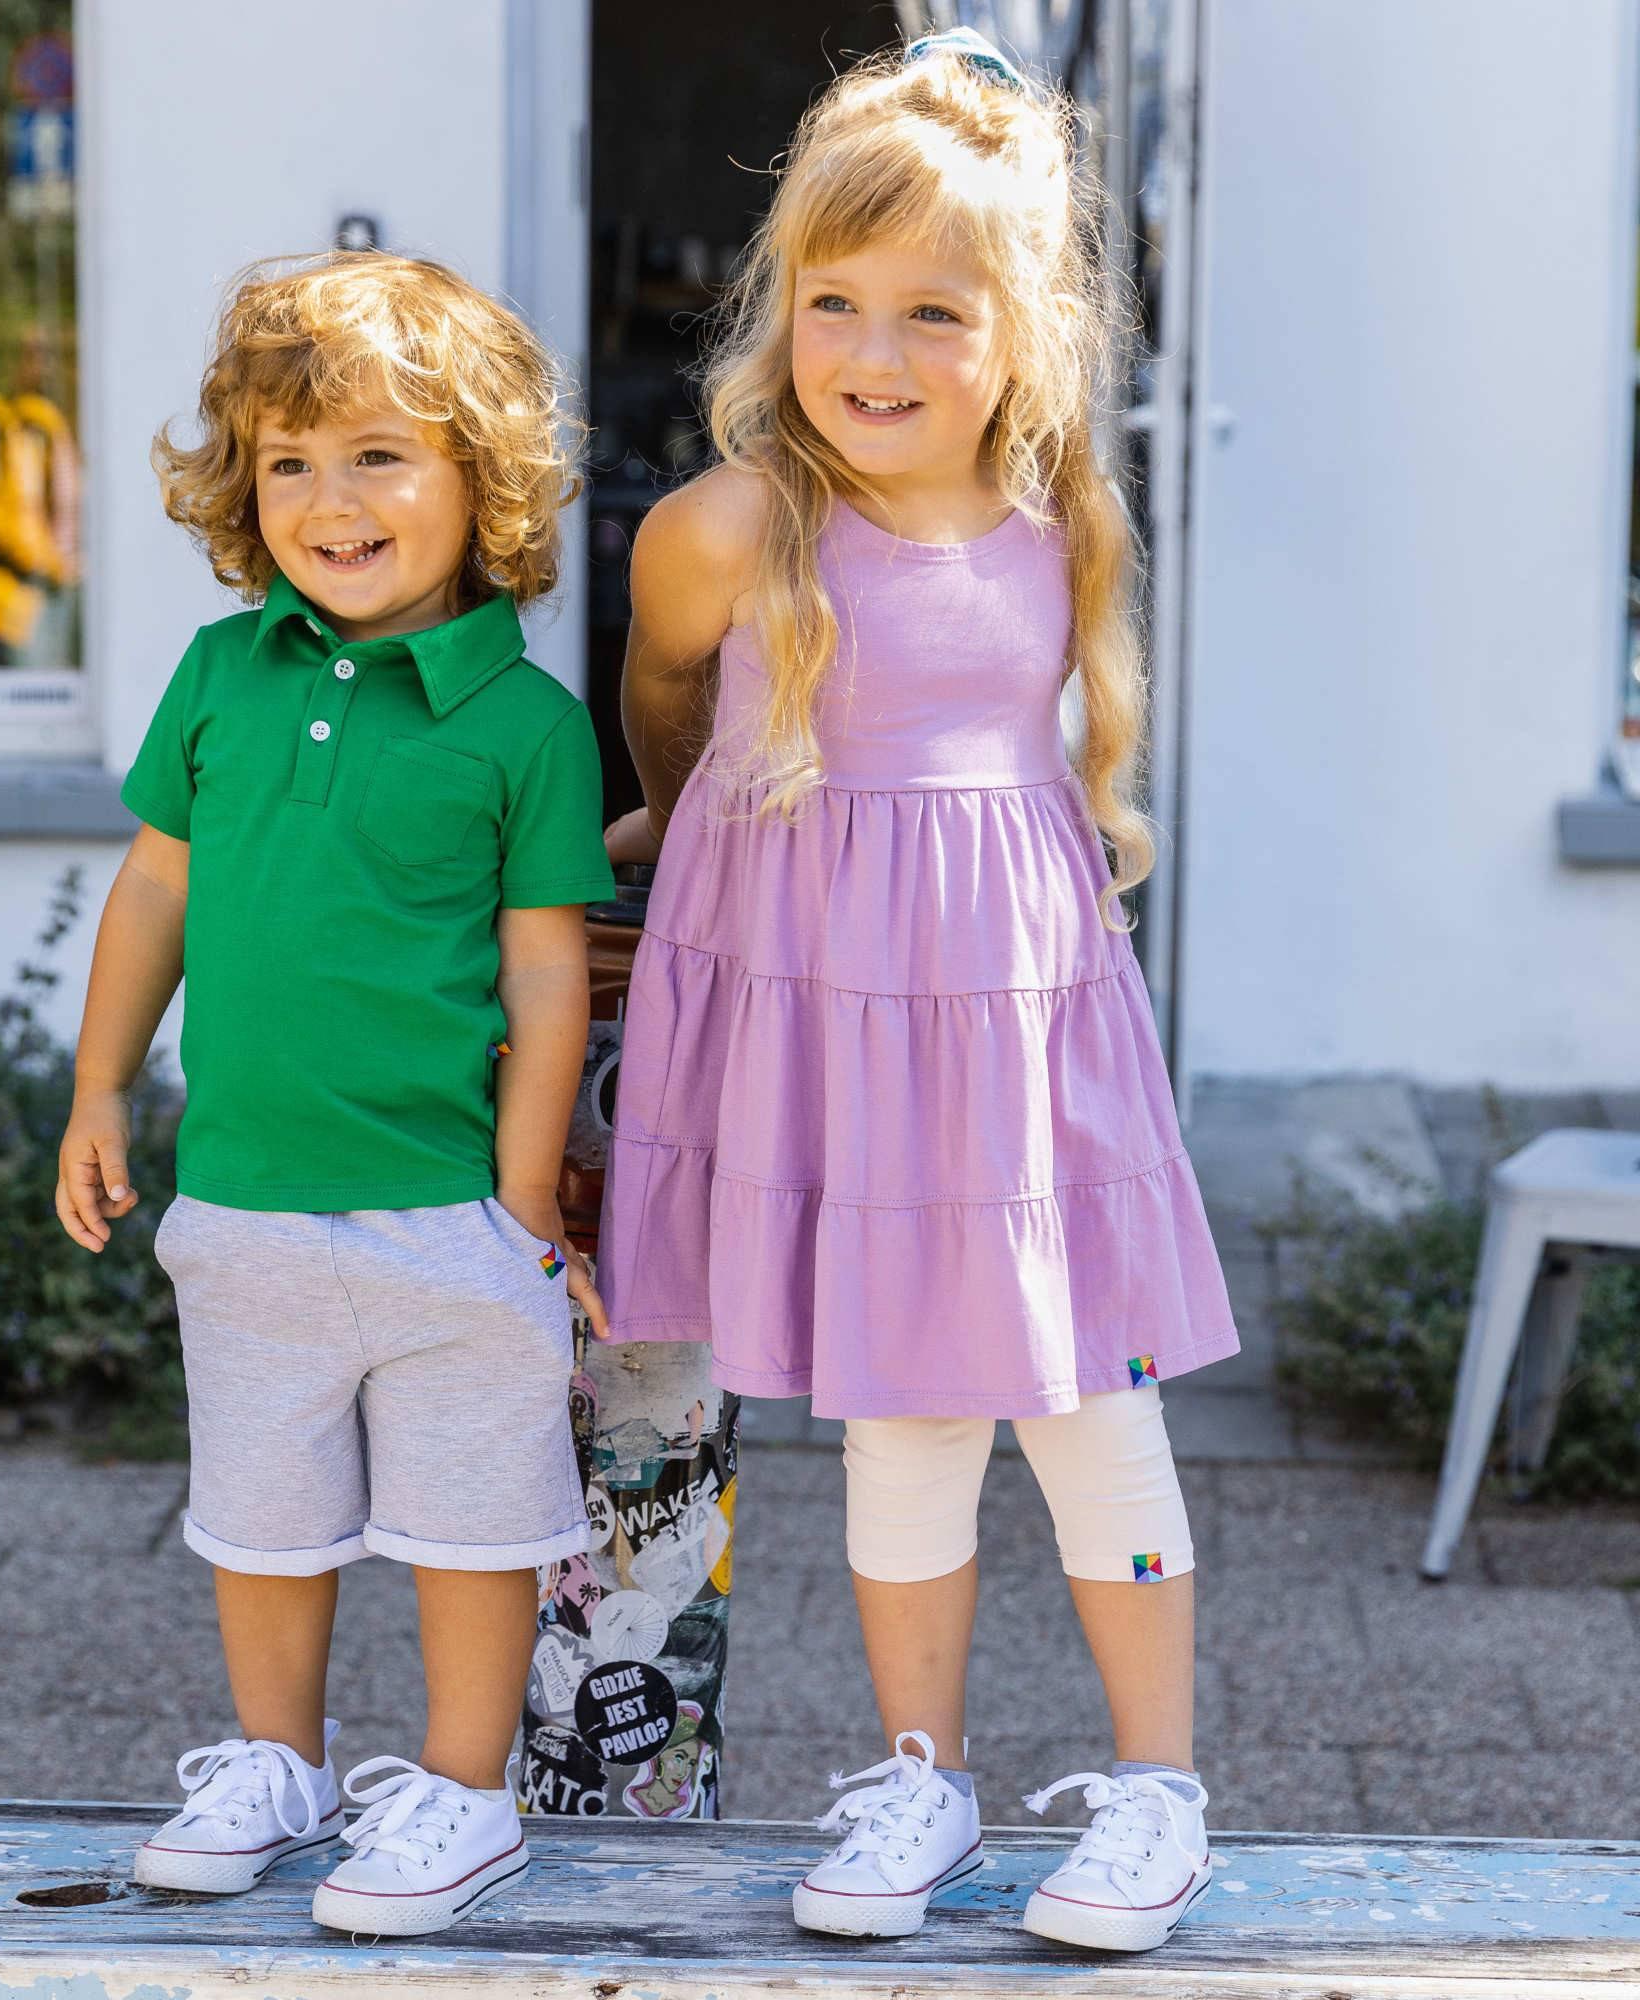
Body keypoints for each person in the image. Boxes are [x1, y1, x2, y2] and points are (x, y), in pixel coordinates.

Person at [597, 28, 1237, 1954]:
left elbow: (1048, 756)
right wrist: (663, 840)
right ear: (782, 306)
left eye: (932, 314)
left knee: (1091, 1407)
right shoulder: (725, 531)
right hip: (829, 1027)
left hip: (1022, 1036)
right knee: (901, 1416)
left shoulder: (1065, 530)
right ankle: (919, 1779)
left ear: (1023, 331)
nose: (873, 355)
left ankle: (1157, 1791)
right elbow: (664, 713)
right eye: (833, 303)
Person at [55, 251, 615, 1936]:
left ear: (481, 477)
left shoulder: (528, 725)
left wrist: (523, 1202)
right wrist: (97, 1091)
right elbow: (154, 893)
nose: (329, 499)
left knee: (472, 1522)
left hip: (450, 1207)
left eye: (378, 455)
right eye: (289, 462)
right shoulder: (224, 679)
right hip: (242, 1200)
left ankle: (461, 1798)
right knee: (263, 1518)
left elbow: (542, 980)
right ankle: (276, 1765)